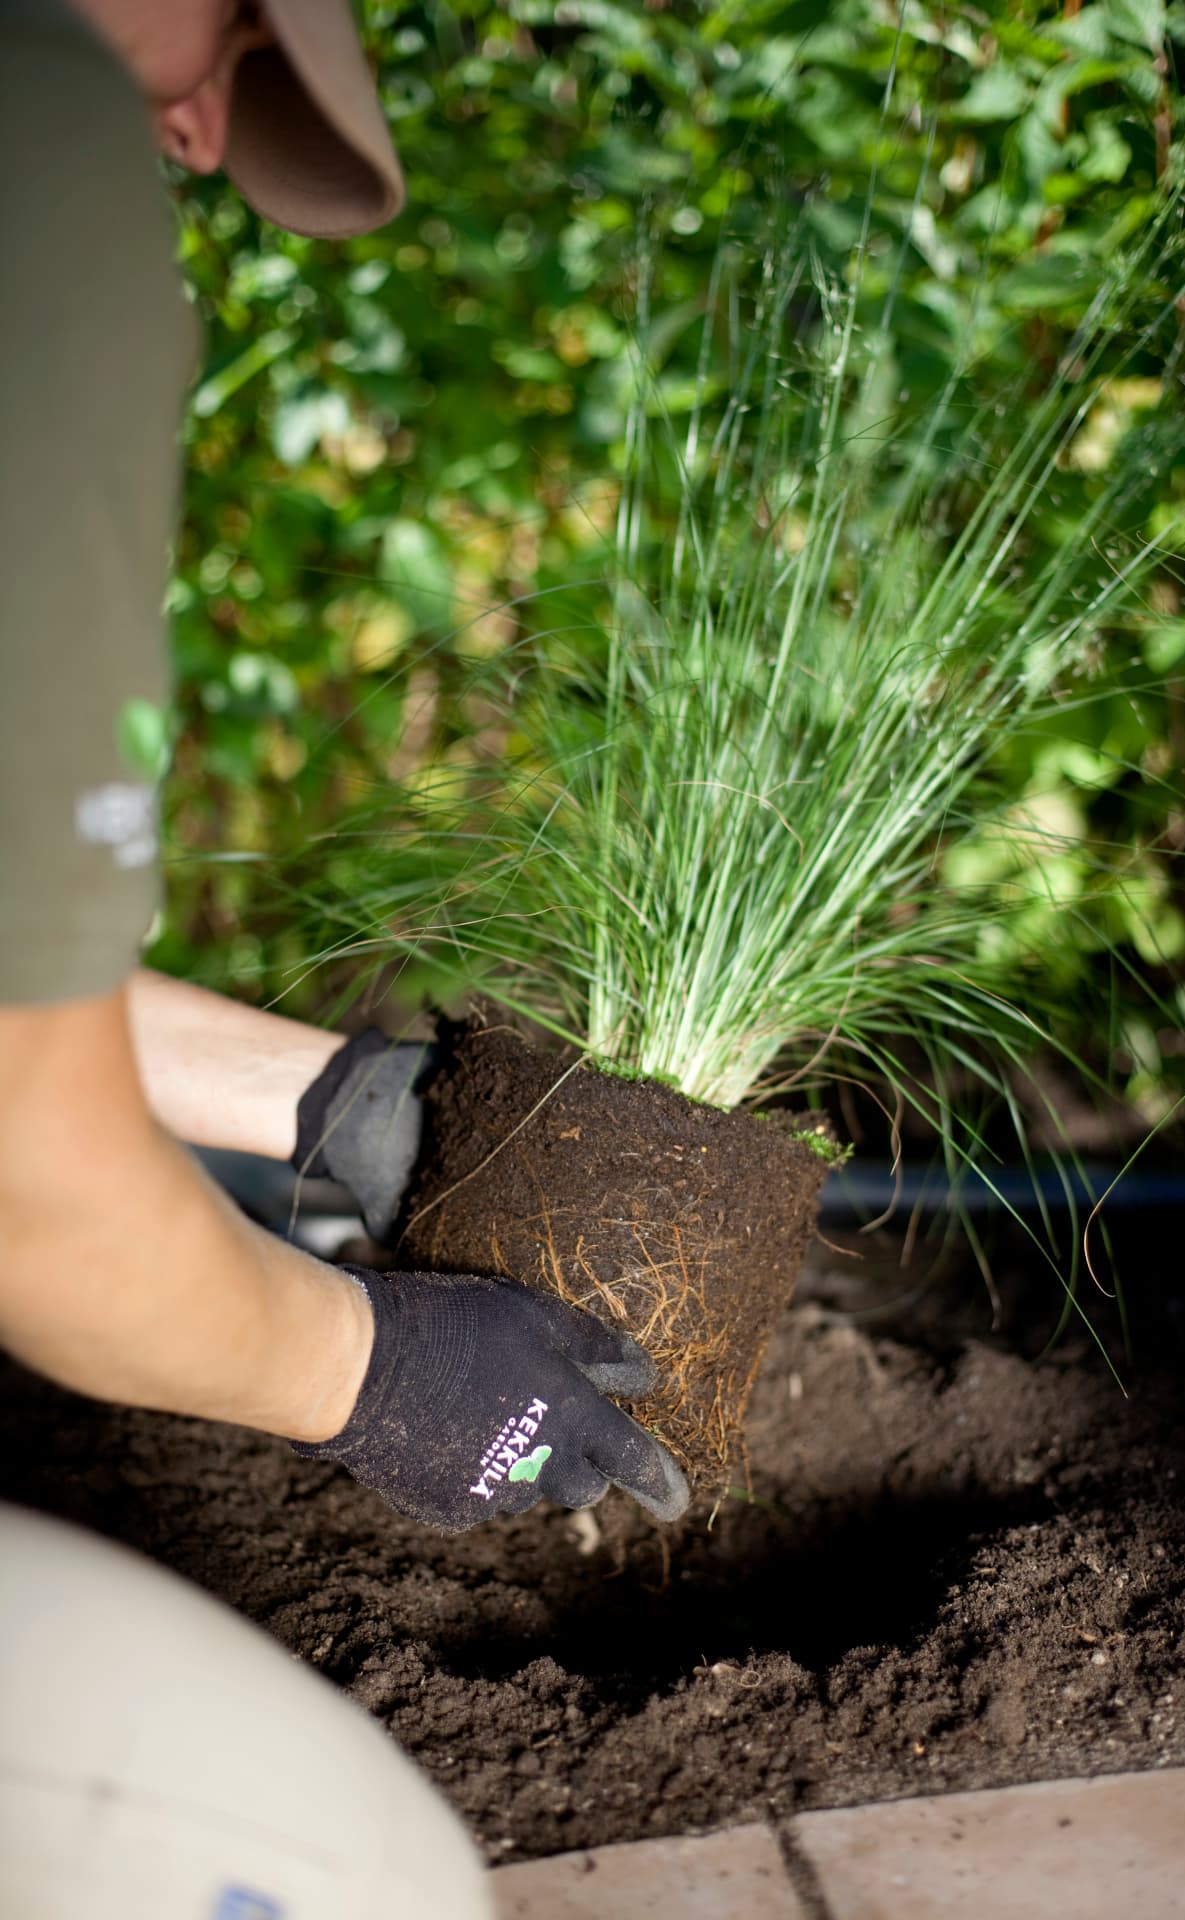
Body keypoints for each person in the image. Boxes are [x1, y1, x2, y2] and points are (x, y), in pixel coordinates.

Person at [0, 0, 689, 1535]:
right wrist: (372, 1373)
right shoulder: (36, 138)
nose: (195, 134)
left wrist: (337, 1100)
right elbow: (22, 1186)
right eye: (245, 37)